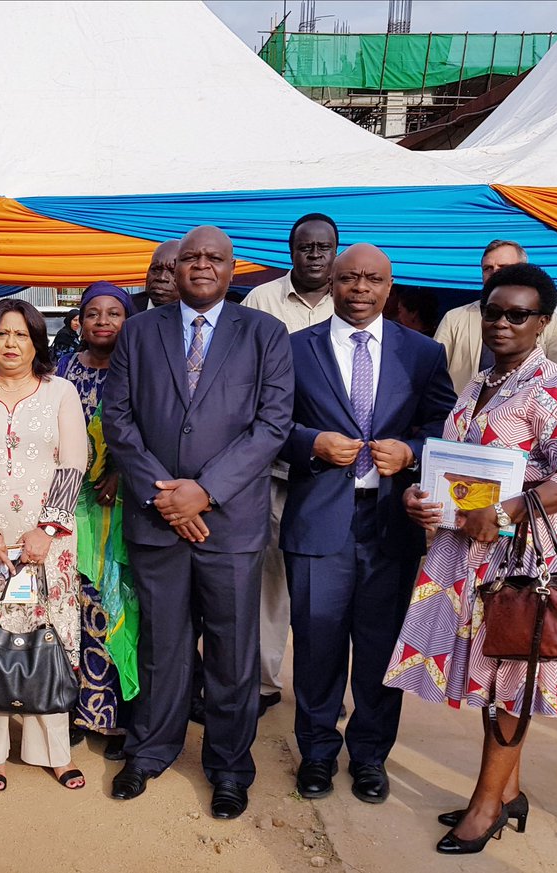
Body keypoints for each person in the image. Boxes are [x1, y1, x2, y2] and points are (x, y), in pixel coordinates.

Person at [384, 263, 557, 854]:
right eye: (493, 312)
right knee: (498, 676)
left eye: (518, 315)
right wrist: (424, 498)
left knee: (511, 679)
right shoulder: (480, 384)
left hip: (521, 560)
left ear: (542, 322)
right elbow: (460, 469)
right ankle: (508, 792)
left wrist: (505, 513)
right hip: (470, 552)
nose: (502, 323)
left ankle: (486, 806)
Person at [103, 225, 293, 820]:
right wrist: (168, 497)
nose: (202, 266)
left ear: (233, 270)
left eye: (215, 258)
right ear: (173, 268)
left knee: (233, 653)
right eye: (191, 259)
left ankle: (230, 766)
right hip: (158, 520)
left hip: (229, 524)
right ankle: (151, 750)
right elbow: (119, 418)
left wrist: (205, 492)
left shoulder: (265, 332)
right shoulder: (139, 331)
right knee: (163, 645)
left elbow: (272, 424)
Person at [280, 244, 455, 807]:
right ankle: (317, 753)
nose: (360, 288)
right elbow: (268, 422)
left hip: (389, 524)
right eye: (349, 277)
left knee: (380, 649)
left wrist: (409, 450)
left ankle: (371, 757)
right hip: (316, 519)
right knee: (316, 643)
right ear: (330, 282)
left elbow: (444, 425)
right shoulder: (292, 350)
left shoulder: (423, 353)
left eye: (372, 280)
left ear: (389, 286)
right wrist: (311, 443)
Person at [0, 298, 88, 792]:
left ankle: (54, 751)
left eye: (21, 335)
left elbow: (73, 464)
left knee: (44, 642)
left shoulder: (60, 392)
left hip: (45, 545)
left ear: (36, 343)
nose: (11, 344)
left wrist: (46, 532)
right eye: (2, 334)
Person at [239, 212, 338, 718]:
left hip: (338, 475)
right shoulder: (262, 301)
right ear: (292, 251)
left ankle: (326, 689)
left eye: (324, 247)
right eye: (306, 247)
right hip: (276, 465)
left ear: (335, 251)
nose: (315, 255)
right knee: (272, 577)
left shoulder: (351, 300)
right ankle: (263, 681)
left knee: (327, 586)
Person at [56, 282, 140, 761]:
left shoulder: (140, 370)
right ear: (79, 322)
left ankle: (118, 717)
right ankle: (76, 709)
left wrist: (120, 470)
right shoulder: (62, 370)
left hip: (122, 507)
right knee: (72, 604)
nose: (103, 321)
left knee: (118, 602)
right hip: (70, 505)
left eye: (114, 313)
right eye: (93, 314)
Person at [435, 240, 557, 394]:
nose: (495, 273)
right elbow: (432, 375)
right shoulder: (455, 319)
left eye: (504, 267)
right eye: (488, 268)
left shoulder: (548, 322)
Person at [132, 239, 181, 312]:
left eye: (173, 272)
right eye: (156, 269)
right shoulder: (125, 307)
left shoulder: (197, 313)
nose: (162, 277)